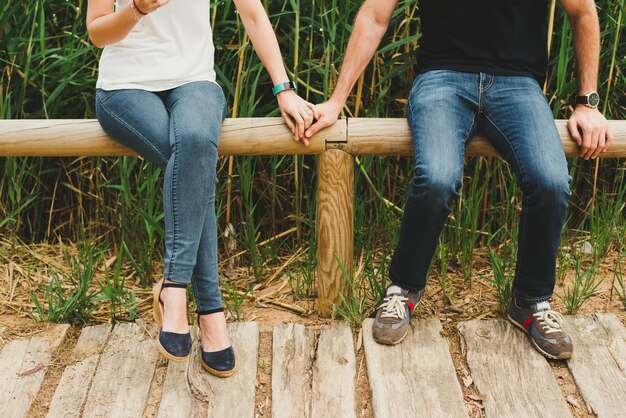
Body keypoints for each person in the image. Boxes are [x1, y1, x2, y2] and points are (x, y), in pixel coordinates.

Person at [306, 0, 612, 360]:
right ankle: (402, 291)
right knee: (436, 177)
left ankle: (530, 300)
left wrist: (587, 104)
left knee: (550, 181)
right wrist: (336, 100)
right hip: (441, 78)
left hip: (518, 86)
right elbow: (374, 14)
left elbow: (583, 12)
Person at [87, 0, 314, 377]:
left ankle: (173, 286)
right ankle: (210, 311)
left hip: (195, 82)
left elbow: (253, 14)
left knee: (194, 144)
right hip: (124, 88)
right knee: (194, 169)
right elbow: (97, 32)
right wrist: (138, 10)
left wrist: (284, 89)